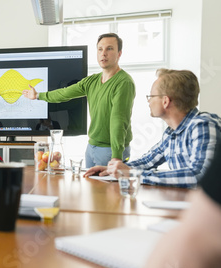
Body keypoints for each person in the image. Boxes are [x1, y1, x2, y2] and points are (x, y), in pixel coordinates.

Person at [126, 142, 221, 268]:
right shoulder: (170, 134)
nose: (149, 112)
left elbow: (197, 174)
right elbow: (147, 160)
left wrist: (202, 228)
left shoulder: (200, 124)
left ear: (168, 110)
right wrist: (123, 168)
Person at [85, 69, 221, 188]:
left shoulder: (203, 125)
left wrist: (132, 174)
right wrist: (112, 169)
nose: (149, 101)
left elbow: (199, 176)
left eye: (151, 96)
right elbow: (148, 161)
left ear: (165, 101)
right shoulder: (172, 132)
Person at [22, 33, 135, 167]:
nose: (103, 53)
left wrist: (116, 156)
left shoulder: (124, 82)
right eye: (100, 49)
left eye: (109, 49)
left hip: (111, 151)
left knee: (107, 188)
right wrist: (39, 95)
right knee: (91, 187)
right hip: (92, 147)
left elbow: (119, 120)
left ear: (119, 53)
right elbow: (64, 93)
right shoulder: (92, 81)